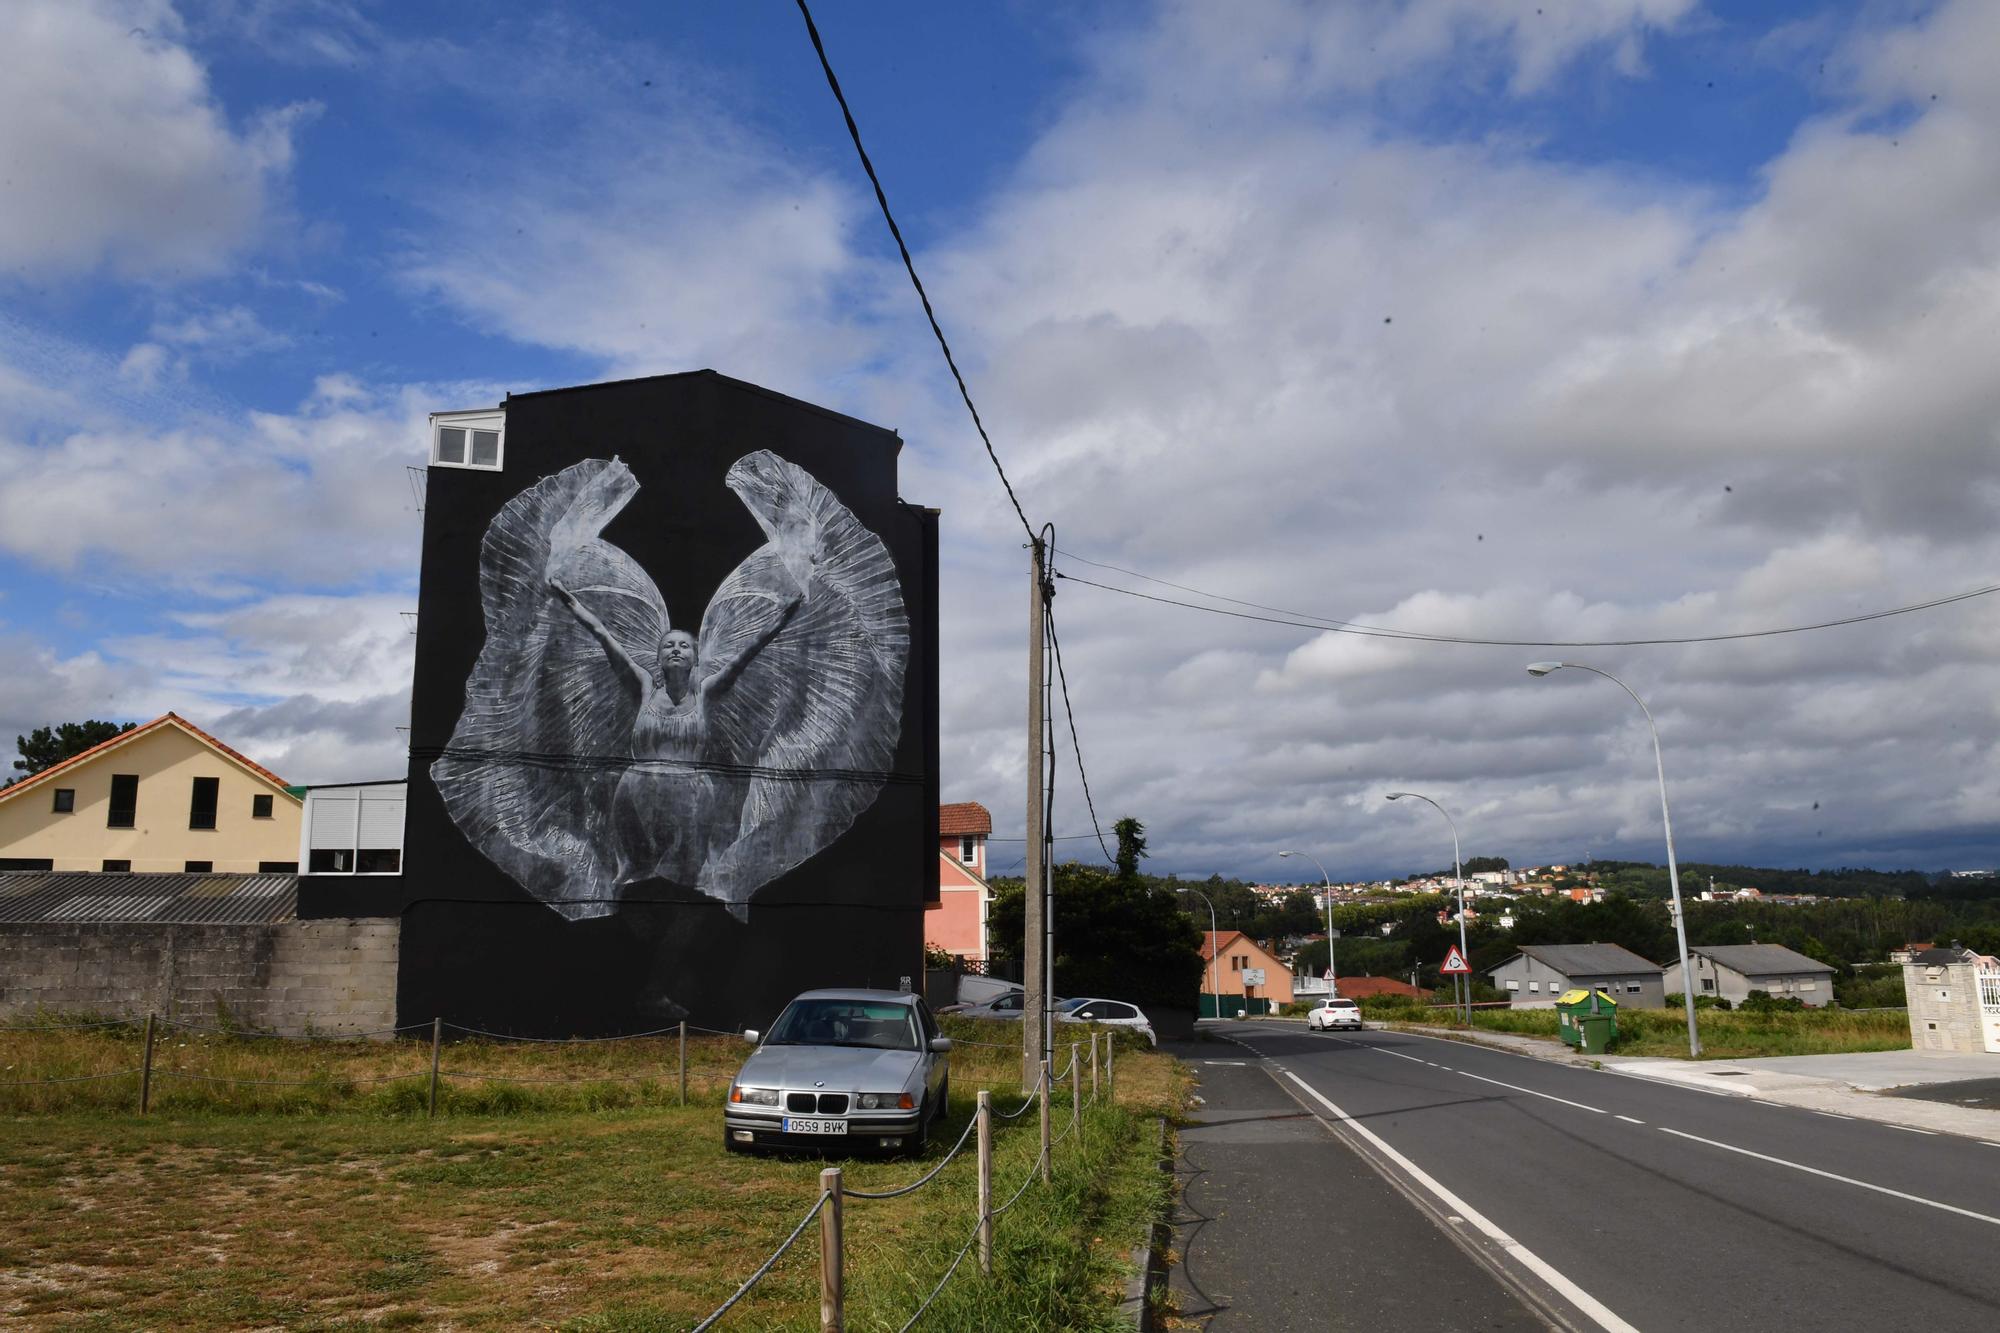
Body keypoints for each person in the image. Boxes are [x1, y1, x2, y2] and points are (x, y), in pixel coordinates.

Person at [548, 576, 804, 886]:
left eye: (684, 645)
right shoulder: (643, 686)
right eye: (668, 645)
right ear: (658, 658)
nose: (676, 649)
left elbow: (747, 653)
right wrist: (568, 598)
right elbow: (602, 634)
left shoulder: (706, 693)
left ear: (695, 659)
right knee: (630, 874)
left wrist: (782, 618)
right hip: (635, 792)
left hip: (691, 797)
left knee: (687, 876)